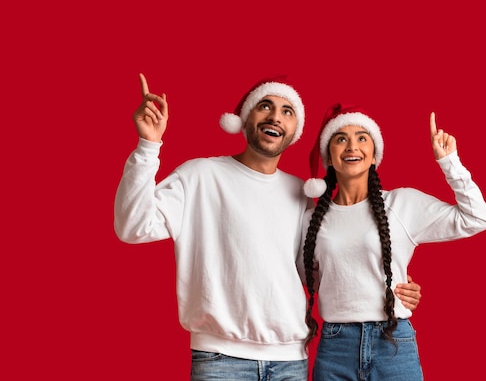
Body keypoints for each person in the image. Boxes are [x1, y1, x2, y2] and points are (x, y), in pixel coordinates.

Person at [114, 74, 423, 381]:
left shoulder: (301, 194)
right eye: (265, 106)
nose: (276, 116)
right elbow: (133, 227)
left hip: (290, 362)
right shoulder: (200, 176)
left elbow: (322, 272)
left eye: (287, 111)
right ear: (245, 118)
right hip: (221, 360)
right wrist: (148, 145)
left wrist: (393, 282)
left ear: (294, 131)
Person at [299, 103, 486, 381]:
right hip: (335, 346)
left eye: (362, 138)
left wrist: (450, 162)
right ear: (329, 156)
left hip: (392, 343)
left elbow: (476, 218)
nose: (352, 146)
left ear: (374, 155)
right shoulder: (311, 221)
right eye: (341, 139)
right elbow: (314, 278)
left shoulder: (402, 204)